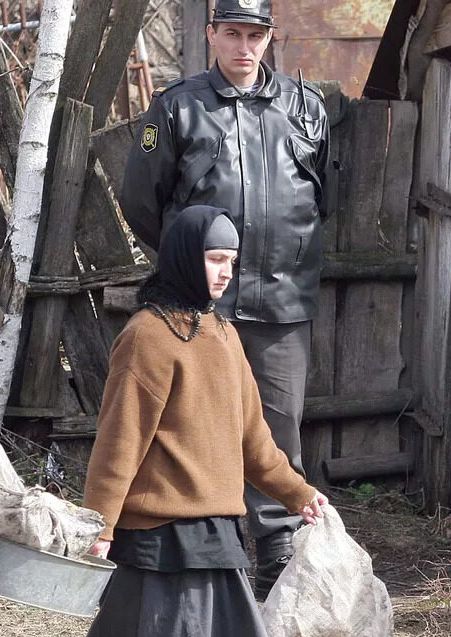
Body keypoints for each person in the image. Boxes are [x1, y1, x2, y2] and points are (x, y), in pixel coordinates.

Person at [63, 205, 328, 637]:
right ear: (185, 256)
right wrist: (98, 522)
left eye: (231, 262)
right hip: (160, 529)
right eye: (214, 259)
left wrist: (296, 493)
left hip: (217, 527)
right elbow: (119, 439)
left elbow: (254, 441)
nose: (223, 273)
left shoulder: (224, 336)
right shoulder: (148, 338)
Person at [119, 0, 330, 599]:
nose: (244, 47)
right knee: (197, 429)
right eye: (232, 33)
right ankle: (209, 557)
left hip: (284, 303)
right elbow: (142, 200)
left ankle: (277, 563)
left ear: (270, 38)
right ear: (212, 34)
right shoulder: (179, 107)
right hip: (203, 307)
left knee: (278, 434)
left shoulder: (306, 109)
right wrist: (193, 270)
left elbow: (323, 201)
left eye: (255, 35)